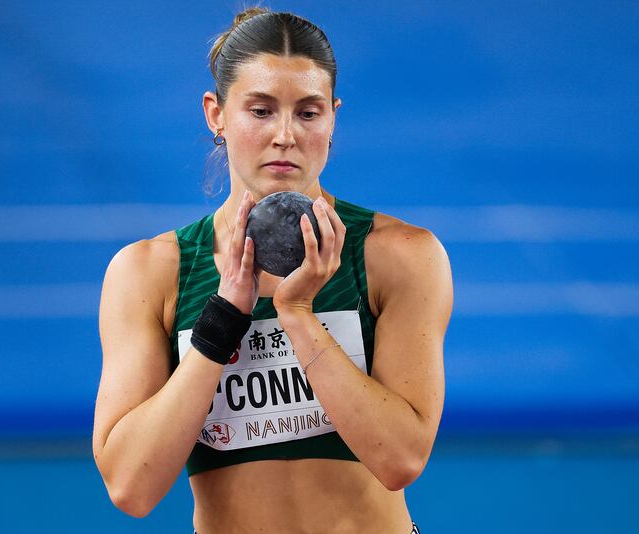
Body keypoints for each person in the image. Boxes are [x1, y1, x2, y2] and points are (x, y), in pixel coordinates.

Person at [92, 7, 452, 534]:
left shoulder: (396, 256)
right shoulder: (151, 273)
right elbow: (130, 485)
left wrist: (298, 314)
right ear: (216, 114)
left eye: (308, 113)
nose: (285, 135)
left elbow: (400, 459)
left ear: (333, 116)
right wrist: (221, 321)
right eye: (260, 111)